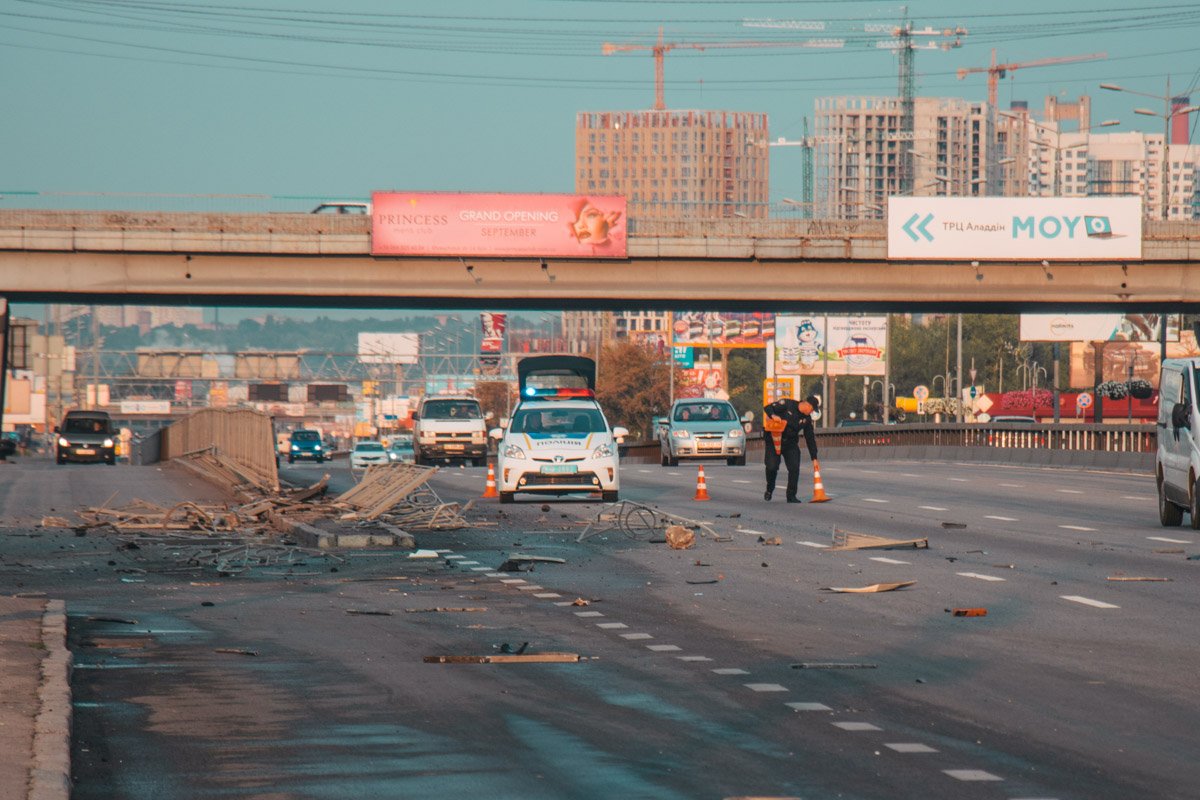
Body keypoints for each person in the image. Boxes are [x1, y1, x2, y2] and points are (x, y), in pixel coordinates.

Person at [762, 394, 820, 503]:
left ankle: (791, 495)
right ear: (807, 405)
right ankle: (770, 488)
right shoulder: (788, 404)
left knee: (794, 467)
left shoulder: (806, 419)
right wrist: (773, 415)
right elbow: (767, 407)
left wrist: (814, 457)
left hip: (790, 442)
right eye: (812, 409)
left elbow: (810, 438)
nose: (811, 412)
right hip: (774, 440)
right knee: (772, 467)